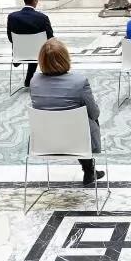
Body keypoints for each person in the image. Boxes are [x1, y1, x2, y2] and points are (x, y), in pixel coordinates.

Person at [29, 38, 104, 186]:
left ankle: (89, 170)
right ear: (65, 58)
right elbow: (94, 113)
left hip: (45, 142)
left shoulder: (34, 81)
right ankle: (89, 169)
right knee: (87, 120)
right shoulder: (79, 82)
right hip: (78, 142)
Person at [7, 0, 55, 88]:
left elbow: (10, 38)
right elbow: (50, 38)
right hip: (39, 54)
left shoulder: (12, 17)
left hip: (19, 53)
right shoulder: (42, 18)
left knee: (33, 48)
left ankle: (28, 78)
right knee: (44, 47)